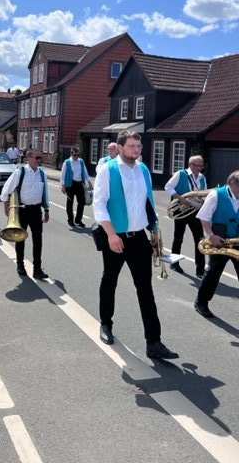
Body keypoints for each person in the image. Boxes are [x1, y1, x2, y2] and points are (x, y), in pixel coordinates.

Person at [92, 129, 179, 360]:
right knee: (110, 280)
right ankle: (106, 323)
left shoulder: (143, 169)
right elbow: (99, 205)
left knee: (145, 289)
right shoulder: (108, 170)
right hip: (116, 237)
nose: (136, 150)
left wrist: (154, 228)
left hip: (139, 237)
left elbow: (147, 201)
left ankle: (154, 342)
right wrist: (111, 234)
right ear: (120, 147)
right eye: (131, 146)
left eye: (139, 146)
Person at [194, 171, 239, 318]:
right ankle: (201, 303)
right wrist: (211, 235)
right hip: (219, 240)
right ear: (233, 184)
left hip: (237, 241)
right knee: (213, 273)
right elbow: (204, 217)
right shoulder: (216, 195)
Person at [0, 148, 50, 279]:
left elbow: (45, 193)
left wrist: (46, 210)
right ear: (29, 158)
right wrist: (6, 207)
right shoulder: (20, 172)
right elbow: (7, 189)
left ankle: (37, 269)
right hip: (22, 210)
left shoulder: (42, 174)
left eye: (40, 158)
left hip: (36, 210)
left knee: (38, 240)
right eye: (37, 158)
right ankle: (20, 265)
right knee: (20, 239)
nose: (39, 160)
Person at [164, 155, 207, 276]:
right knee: (178, 238)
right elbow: (168, 187)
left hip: (195, 212)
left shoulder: (202, 177)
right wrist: (180, 198)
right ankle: (174, 263)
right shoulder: (180, 174)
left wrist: (203, 201)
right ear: (190, 164)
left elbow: (203, 194)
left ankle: (200, 268)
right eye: (197, 166)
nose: (199, 168)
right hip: (181, 211)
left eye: (201, 166)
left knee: (200, 239)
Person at [60, 147, 93, 227]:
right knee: (70, 203)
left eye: (78, 155)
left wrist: (89, 182)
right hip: (70, 184)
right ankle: (70, 220)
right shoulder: (67, 163)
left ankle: (78, 220)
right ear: (71, 154)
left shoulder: (81, 161)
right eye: (75, 155)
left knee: (81, 202)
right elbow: (62, 176)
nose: (76, 157)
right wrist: (63, 186)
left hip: (80, 184)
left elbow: (85, 173)